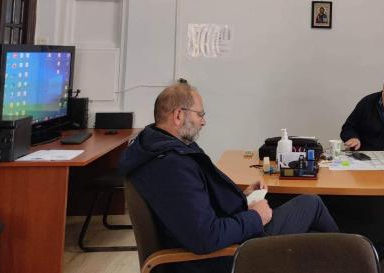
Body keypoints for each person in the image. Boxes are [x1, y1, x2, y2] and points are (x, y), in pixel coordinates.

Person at [120, 81, 339, 273]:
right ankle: (349, 259)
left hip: (226, 240)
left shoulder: (159, 149)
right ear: (178, 115)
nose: (203, 121)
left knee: (313, 229)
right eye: (200, 114)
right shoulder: (171, 165)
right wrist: (255, 217)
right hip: (225, 256)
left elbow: (194, 206)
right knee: (313, 206)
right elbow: (205, 237)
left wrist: (242, 198)